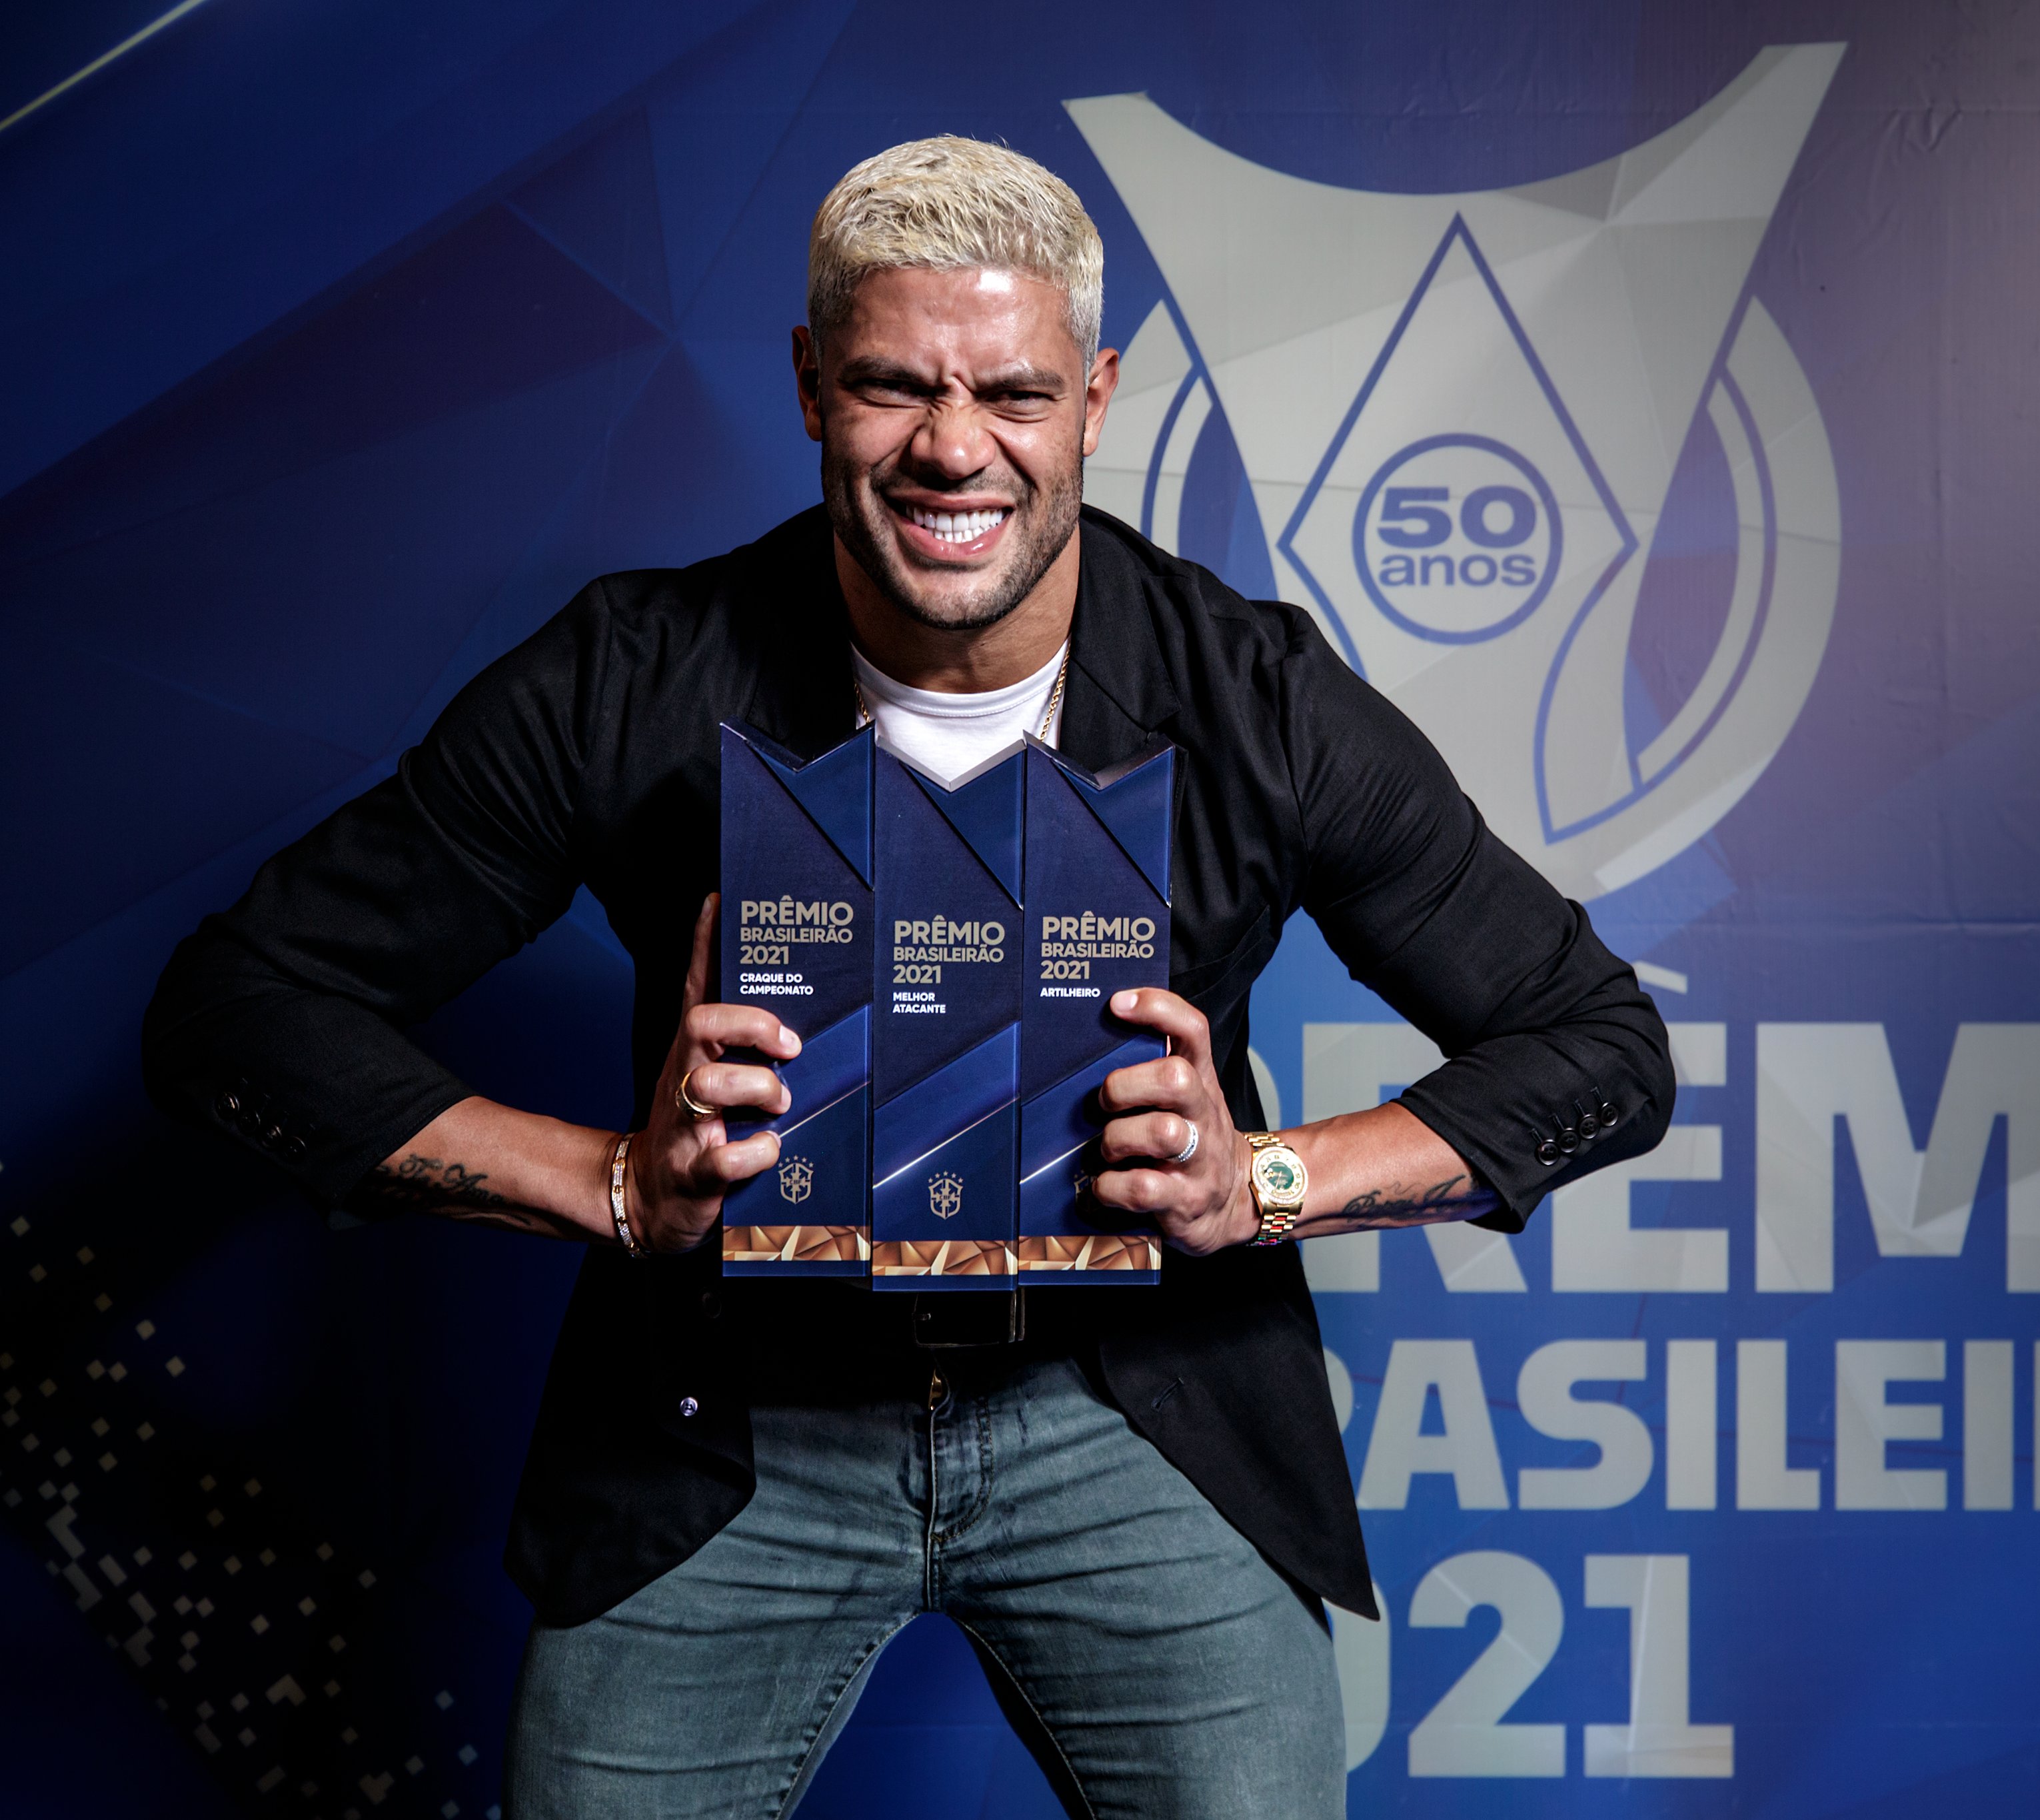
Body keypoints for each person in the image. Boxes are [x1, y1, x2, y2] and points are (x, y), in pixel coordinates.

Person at [143, 136, 1673, 1819]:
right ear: (811, 386)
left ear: (1096, 397)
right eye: (890, 387)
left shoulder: (1259, 701)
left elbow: (1597, 1047)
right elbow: (238, 1009)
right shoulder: (632, 676)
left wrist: (1267, 1183)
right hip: (733, 1417)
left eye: (1012, 393)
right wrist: (613, 1186)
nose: (953, 448)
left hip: (1131, 1406)